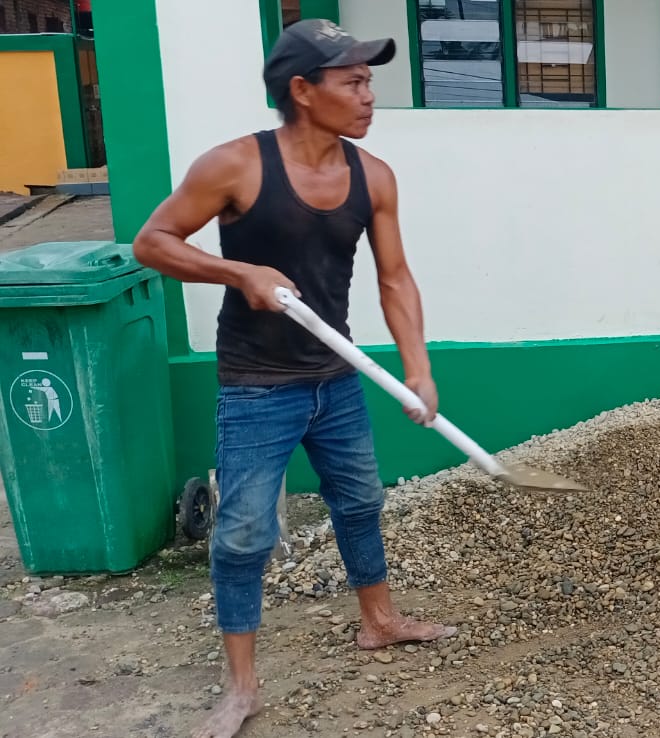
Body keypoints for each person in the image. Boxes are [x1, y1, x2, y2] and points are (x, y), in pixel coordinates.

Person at [132, 19, 456, 738]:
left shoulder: (372, 175)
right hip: (256, 385)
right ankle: (241, 688)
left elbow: (395, 278)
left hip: (336, 377)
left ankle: (379, 622)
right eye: (354, 81)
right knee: (244, 534)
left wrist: (418, 370)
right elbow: (151, 242)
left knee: (361, 501)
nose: (370, 96)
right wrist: (235, 269)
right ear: (303, 91)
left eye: (370, 80)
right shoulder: (235, 166)